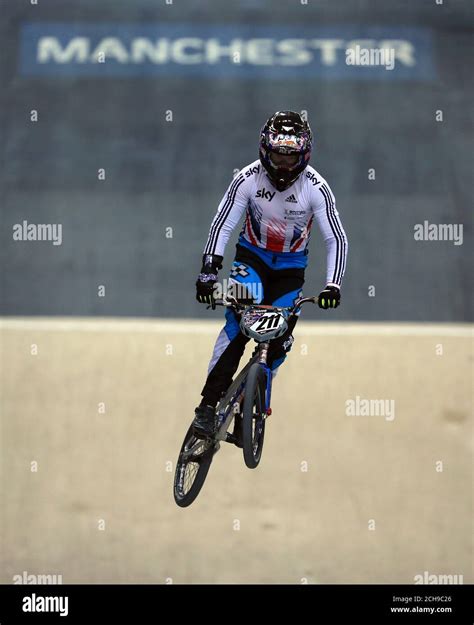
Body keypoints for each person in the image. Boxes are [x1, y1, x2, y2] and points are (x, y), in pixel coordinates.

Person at [193, 111, 348, 441]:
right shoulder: (248, 179)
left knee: (279, 338)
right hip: (252, 259)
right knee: (238, 327)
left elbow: (336, 238)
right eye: (278, 156)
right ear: (265, 151)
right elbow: (223, 224)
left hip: (291, 269)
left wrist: (333, 284)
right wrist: (209, 270)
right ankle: (207, 406)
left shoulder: (316, 188)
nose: (283, 166)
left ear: (304, 156)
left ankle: (252, 407)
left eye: (291, 159)